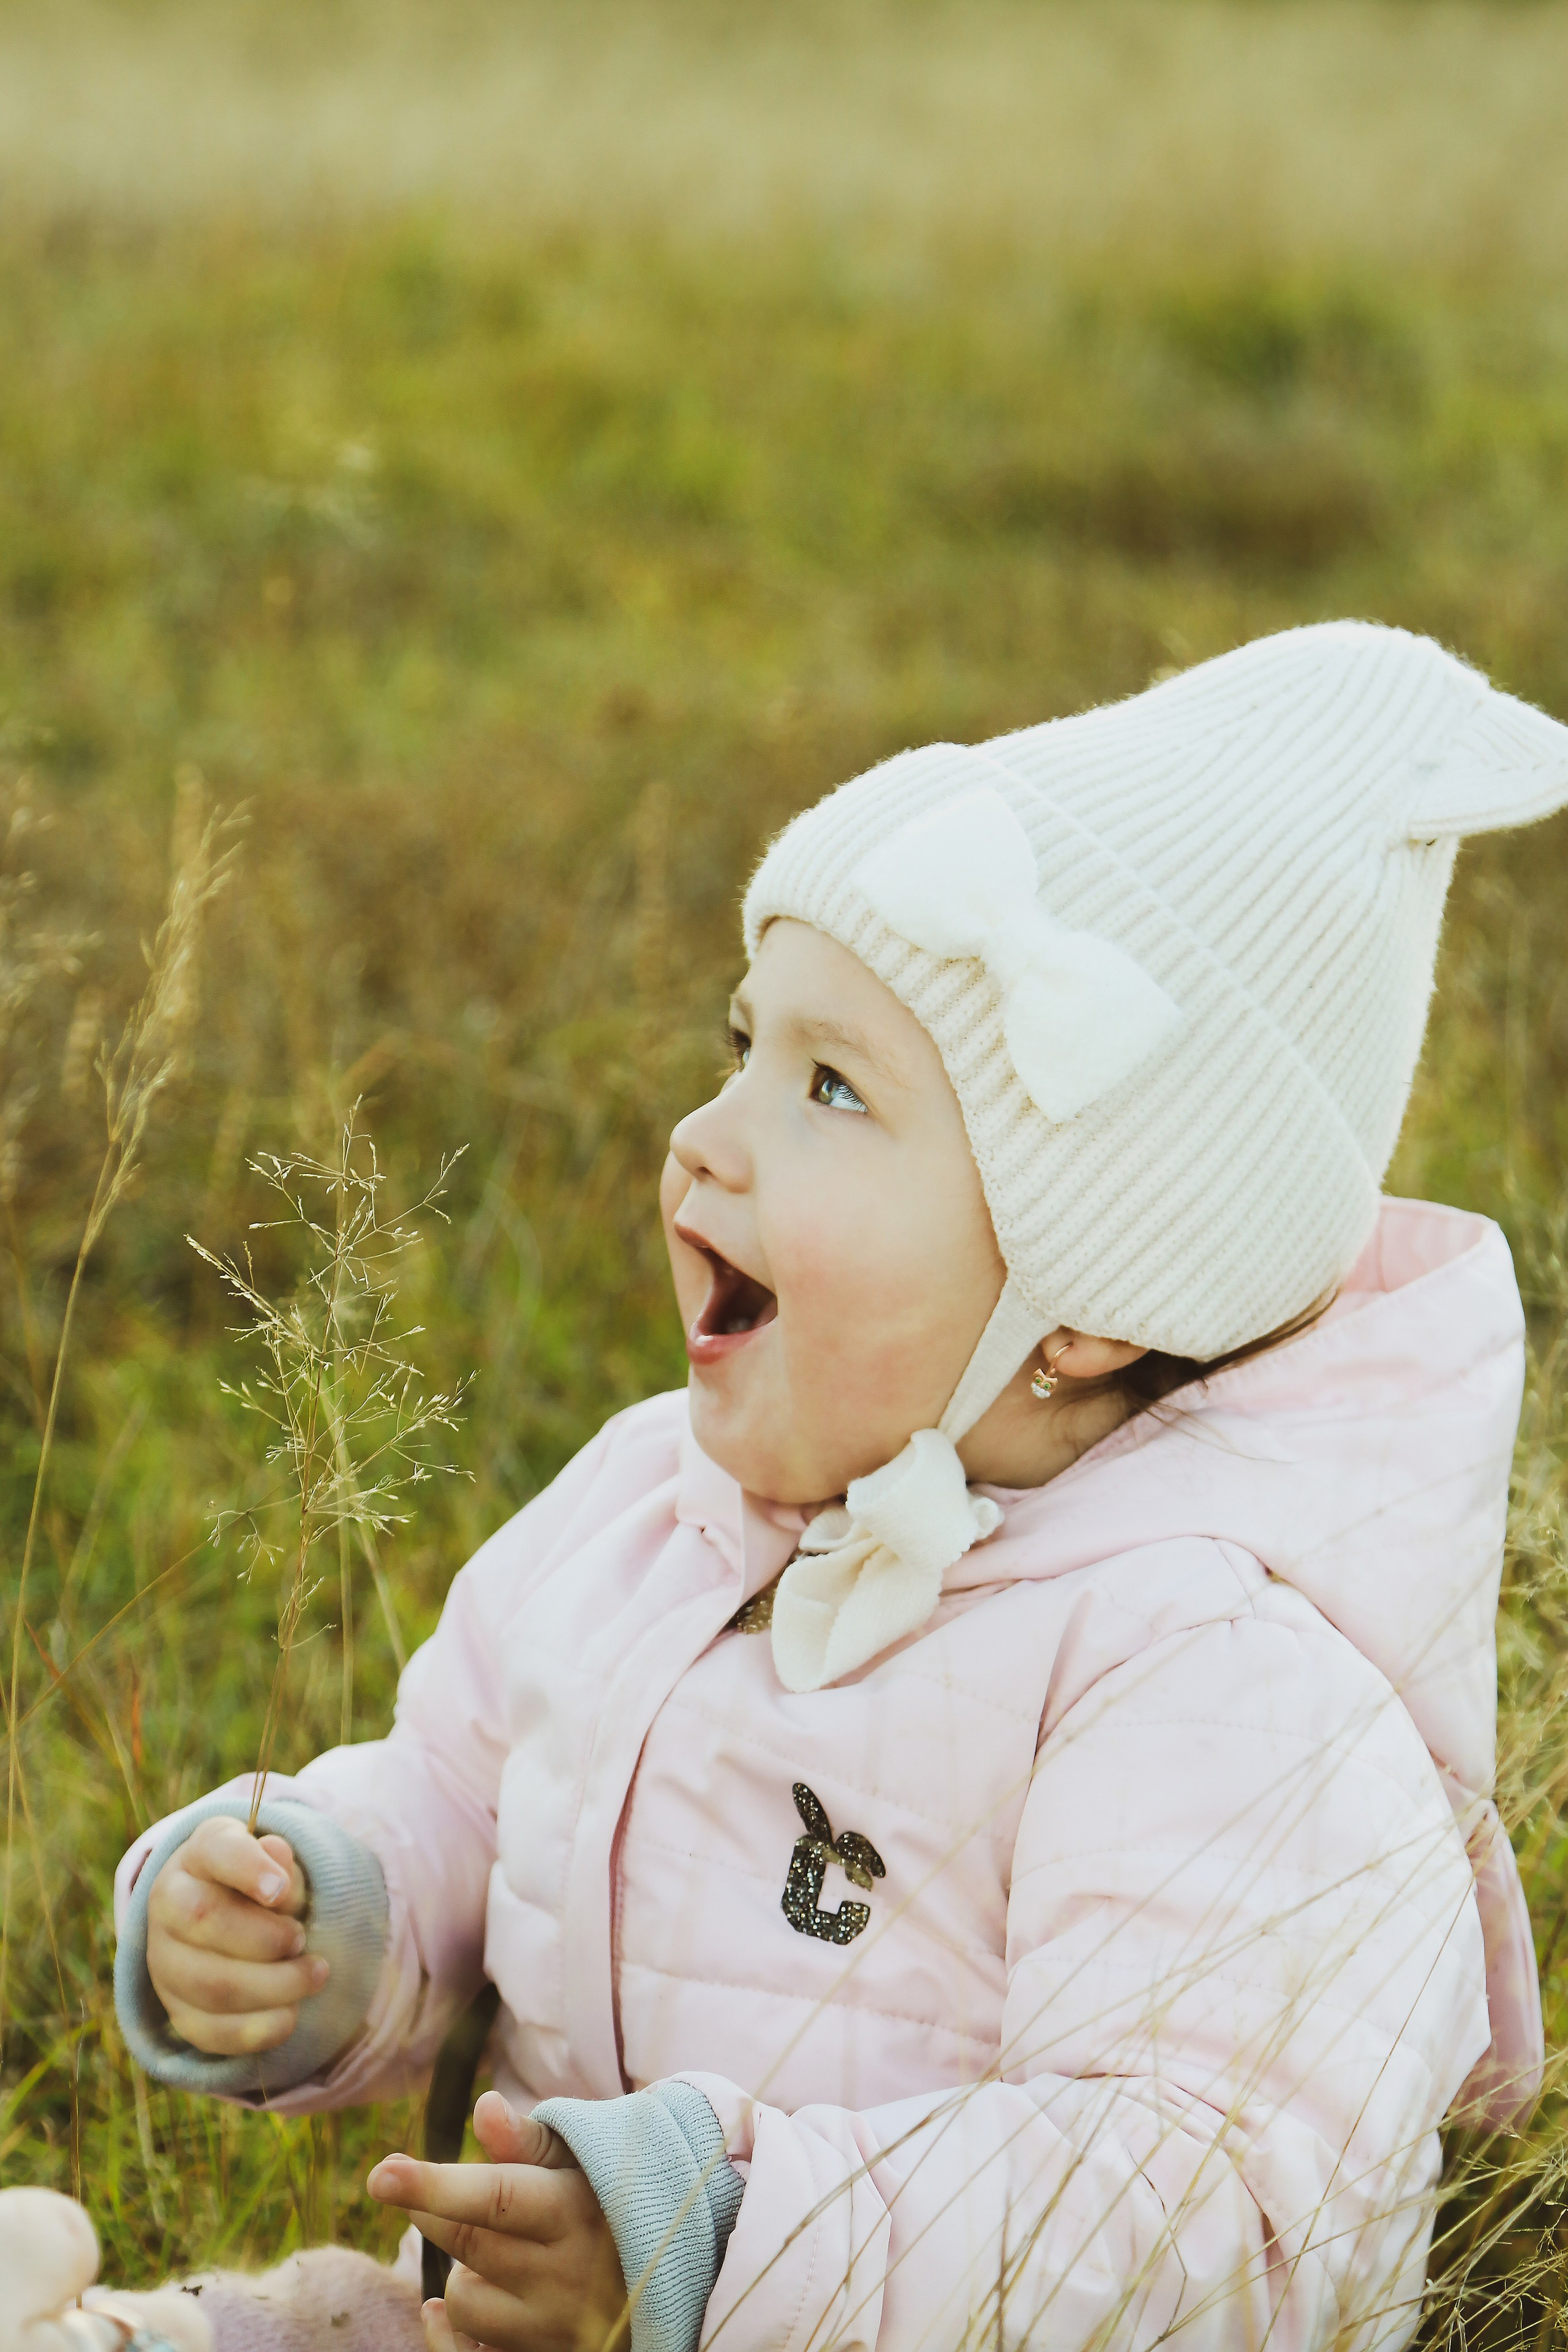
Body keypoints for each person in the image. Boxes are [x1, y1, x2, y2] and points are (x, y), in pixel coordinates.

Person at [69, 623, 1568, 2352]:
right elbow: (475, 1784)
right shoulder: (662, 1494)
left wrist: (718, 2235)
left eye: (832, 1088)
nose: (709, 1132)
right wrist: (337, 1908)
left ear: (1081, 1311)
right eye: (743, 1043)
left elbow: (1225, 2221)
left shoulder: (1229, 1675)